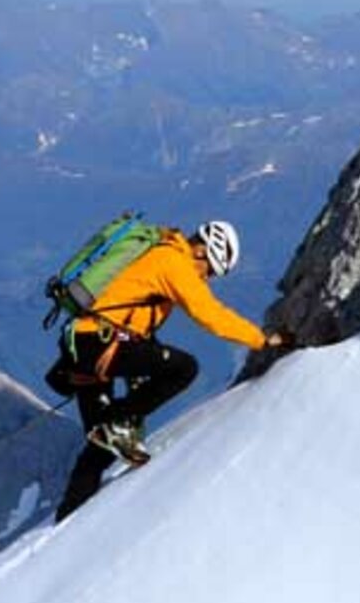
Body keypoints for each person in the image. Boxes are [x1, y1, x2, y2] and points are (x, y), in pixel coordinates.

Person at [44, 219, 290, 520]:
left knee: (101, 443)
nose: (208, 278)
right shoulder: (174, 262)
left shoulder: (159, 250)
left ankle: (67, 522)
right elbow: (210, 314)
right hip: (100, 344)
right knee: (183, 369)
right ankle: (118, 423)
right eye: (211, 270)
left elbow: (134, 317)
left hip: (86, 344)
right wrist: (262, 339)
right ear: (201, 251)